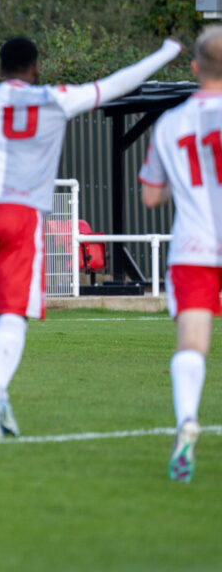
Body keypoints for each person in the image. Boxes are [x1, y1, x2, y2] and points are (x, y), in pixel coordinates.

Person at [0, 27, 181, 440]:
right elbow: (116, 83)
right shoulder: (53, 98)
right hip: (20, 214)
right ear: (35, 68)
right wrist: (165, 51)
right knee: (13, 314)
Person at [139, 25, 222, 483]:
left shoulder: (171, 122)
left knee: (192, 343)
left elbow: (151, 196)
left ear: (194, 68)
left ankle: (187, 419)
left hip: (193, 245)